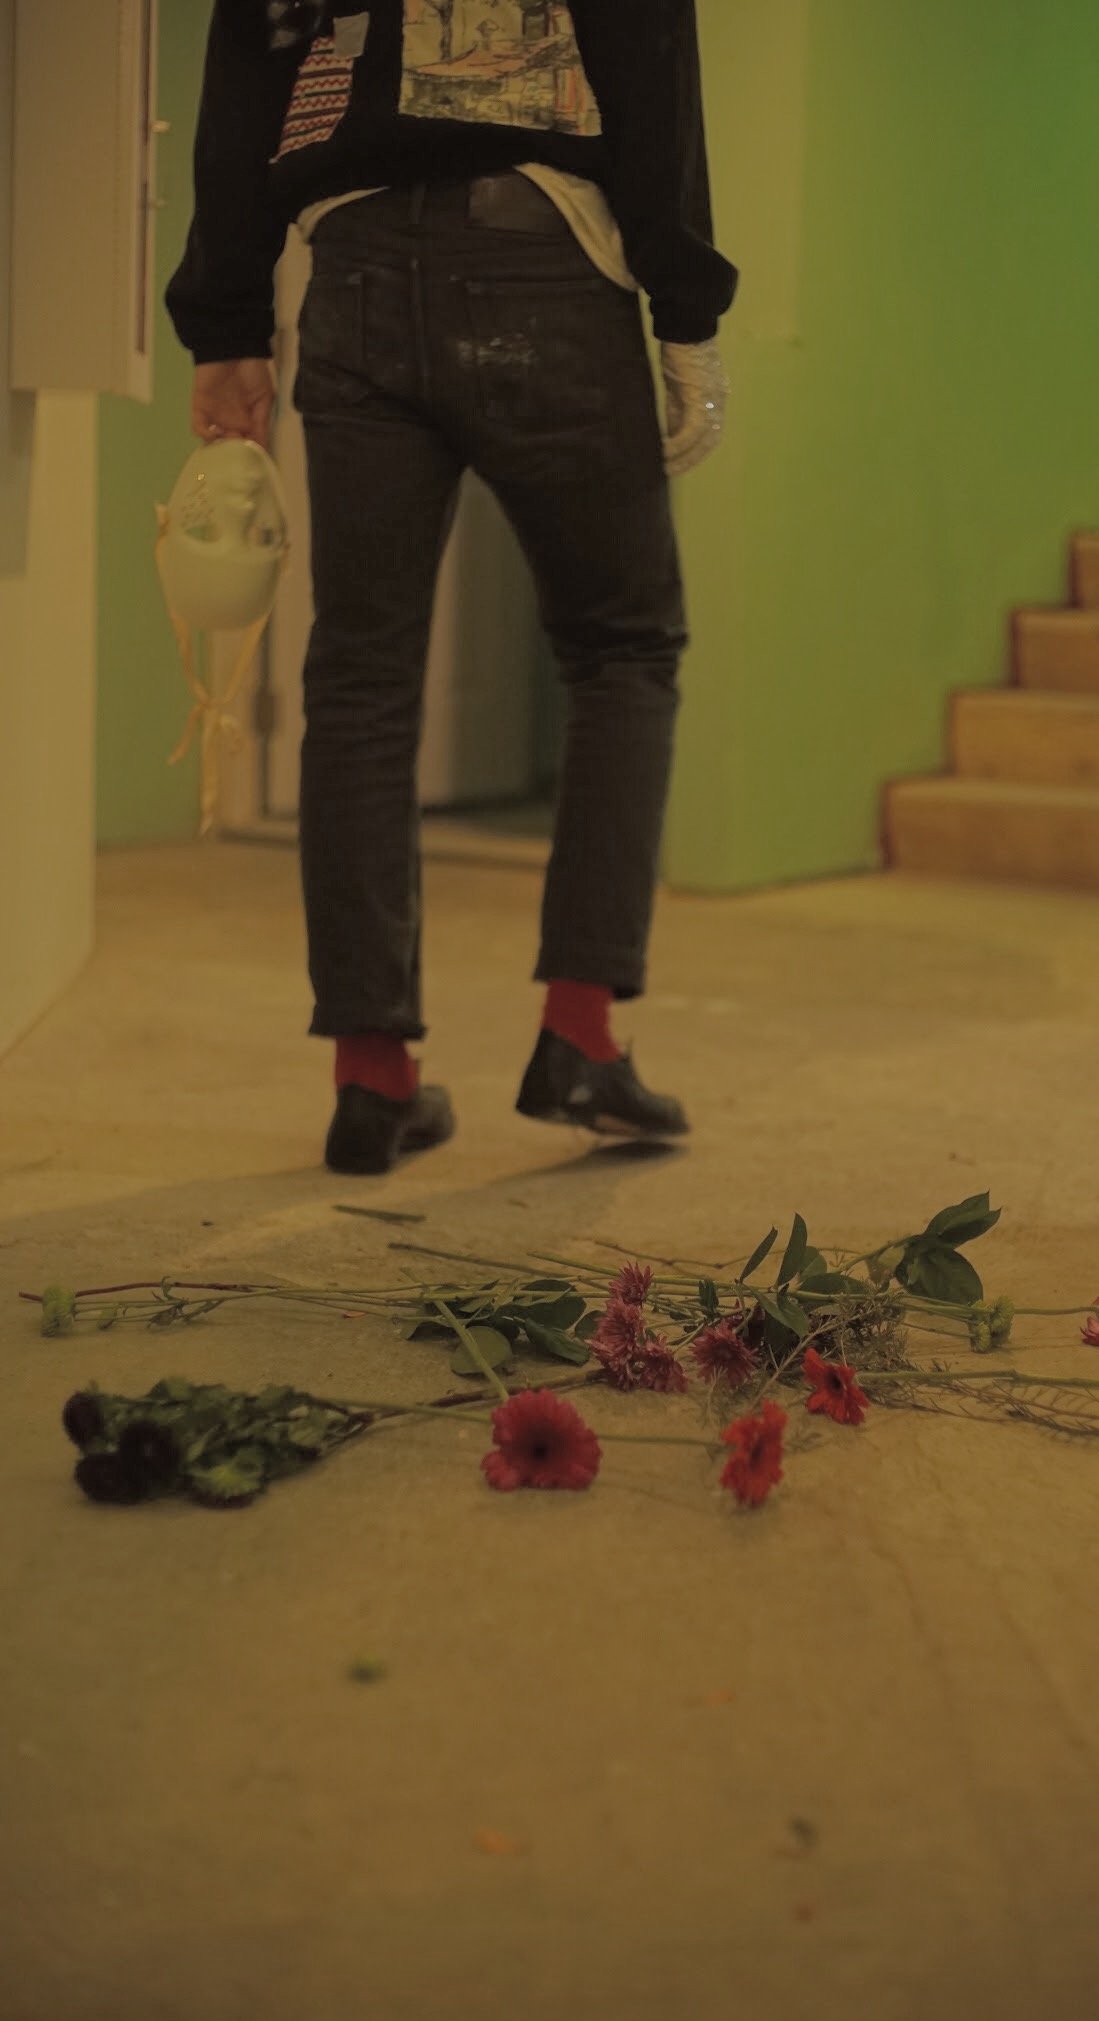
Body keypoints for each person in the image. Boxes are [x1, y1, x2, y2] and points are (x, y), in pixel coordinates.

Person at [166, 0, 737, 1174]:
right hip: (546, 252)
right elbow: (647, 48)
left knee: (361, 670)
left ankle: (372, 1079)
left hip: (356, 267)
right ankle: (580, 1036)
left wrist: (227, 323)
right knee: (624, 647)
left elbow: (248, 66)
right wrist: (685, 311)